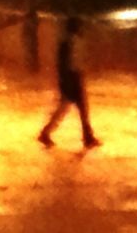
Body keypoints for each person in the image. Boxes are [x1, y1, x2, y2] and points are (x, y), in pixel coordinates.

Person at [38, 14, 99, 148]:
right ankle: (86, 137)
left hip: (73, 76)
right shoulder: (69, 42)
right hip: (72, 77)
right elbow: (68, 63)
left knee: (68, 108)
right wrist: (68, 79)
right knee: (73, 108)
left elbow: (72, 62)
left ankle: (86, 136)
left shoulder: (69, 41)